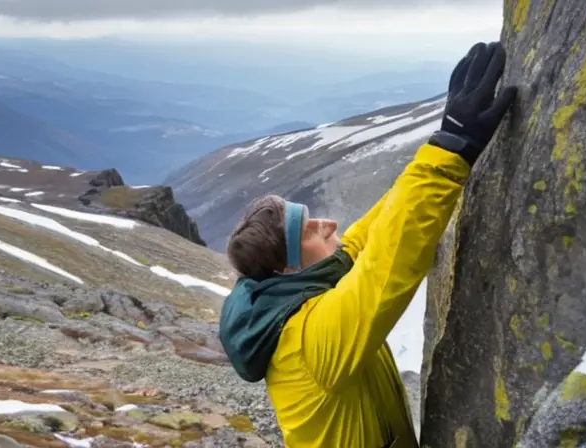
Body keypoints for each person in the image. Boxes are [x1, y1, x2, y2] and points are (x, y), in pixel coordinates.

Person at [218, 41, 517, 448]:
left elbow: (371, 232)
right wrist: (453, 150)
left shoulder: (293, 295)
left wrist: (443, 143)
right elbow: (387, 261)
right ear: (291, 267)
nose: (330, 225)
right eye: (310, 230)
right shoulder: (307, 341)